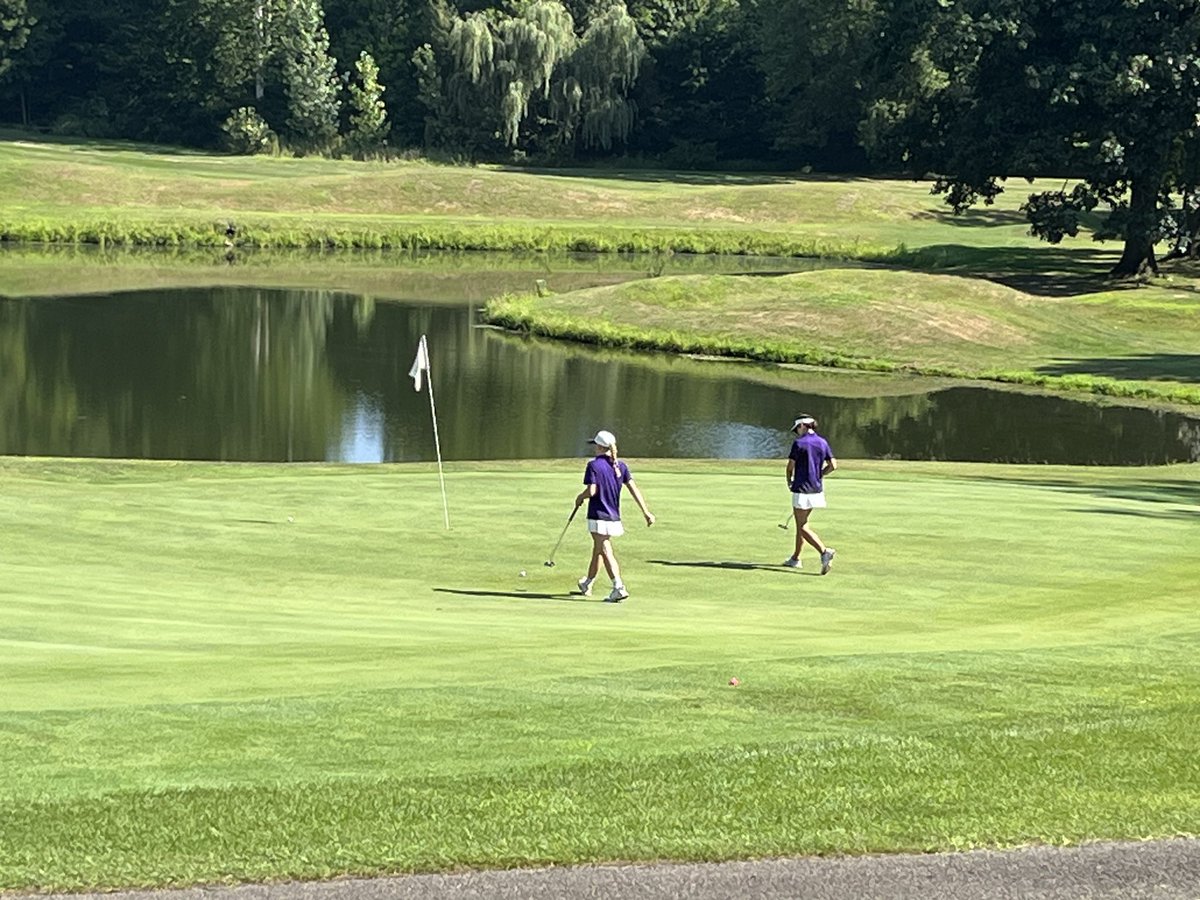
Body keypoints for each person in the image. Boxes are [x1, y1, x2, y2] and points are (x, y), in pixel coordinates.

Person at [575, 429, 654, 602]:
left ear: (599, 447)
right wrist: (645, 512)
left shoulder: (593, 465)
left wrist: (580, 497)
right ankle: (588, 583)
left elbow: (592, 490)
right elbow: (634, 489)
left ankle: (618, 587)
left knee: (604, 549)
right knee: (598, 549)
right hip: (613, 516)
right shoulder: (620, 466)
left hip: (598, 515)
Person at [783, 415, 838, 574]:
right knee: (802, 524)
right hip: (816, 489)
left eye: (797, 429)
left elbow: (790, 467)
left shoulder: (799, 443)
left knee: (802, 527)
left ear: (803, 426)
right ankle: (795, 558)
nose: (797, 432)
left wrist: (789, 481)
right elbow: (833, 465)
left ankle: (824, 552)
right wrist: (820, 474)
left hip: (801, 489)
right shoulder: (822, 442)